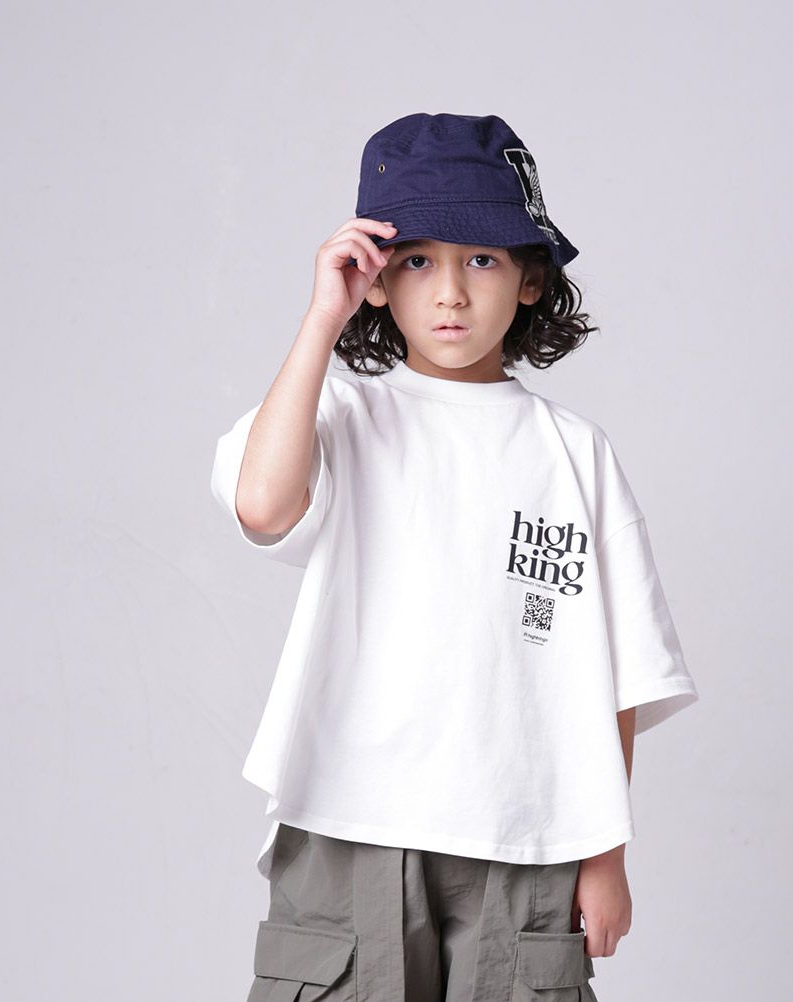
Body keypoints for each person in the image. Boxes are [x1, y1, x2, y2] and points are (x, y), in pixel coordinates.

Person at [211, 112, 699, 1002]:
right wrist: (321, 318)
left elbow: (618, 670)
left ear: (529, 279)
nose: (449, 293)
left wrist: (605, 857)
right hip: (350, 818)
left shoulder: (573, 453)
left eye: (480, 259)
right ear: (374, 279)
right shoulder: (341, 416)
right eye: (415, 261)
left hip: (526, 835)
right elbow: (264, 505)